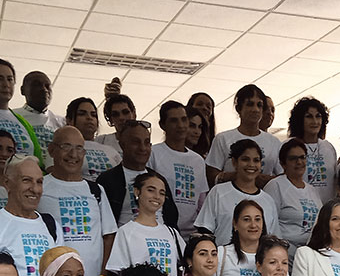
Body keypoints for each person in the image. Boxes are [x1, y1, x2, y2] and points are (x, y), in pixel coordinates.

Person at [39, 126, 116, 276]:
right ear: (52, 150)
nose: (73, 154)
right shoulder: (41, 187)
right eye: (66, 147)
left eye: (79, 148)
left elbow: (109, 236)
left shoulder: (95, 190)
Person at [97, 119, 180, 230]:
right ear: (122, 145)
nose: (142, 148)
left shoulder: (159, 179)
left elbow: (171, 219)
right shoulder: (107, 180)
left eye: (147, 142)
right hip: (123, 243)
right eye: (136, 142)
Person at [195, 139, 279, 246]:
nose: (251, 164)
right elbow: (204, 231)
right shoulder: (218, 192)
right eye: (245, 159)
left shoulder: (268, 200)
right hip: (223, 260)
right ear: (234, 162)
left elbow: (273, 239)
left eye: (256, 160)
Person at [105, 170, 184, 276]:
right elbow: (119, 273)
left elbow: (190, 261)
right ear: (137, 192)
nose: (157, 196)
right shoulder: (125, 232)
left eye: (162, 193)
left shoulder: (171, 233)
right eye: (151, 190)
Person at [149, 100, 209, 236]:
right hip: (162, 231)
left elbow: (201, 201)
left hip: (190, 235)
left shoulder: (198, 160)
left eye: (184, 120)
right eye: (174, 121)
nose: (181, 125)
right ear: (162, 125)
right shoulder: (153, 153)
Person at [213, 200, 286, 276]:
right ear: (235, 224)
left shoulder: (275, 254)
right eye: (246, 219)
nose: (253, 225)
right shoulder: (222, 254)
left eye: (257, 219)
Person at [205, 84, 281, 184]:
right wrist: (238, 176)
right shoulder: (222, 139)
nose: (255, 110)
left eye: (259, 105)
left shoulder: (274, 142)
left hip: (264, 197)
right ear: (239, 109)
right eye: (250, 104)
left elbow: (283, 176)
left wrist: (265, 180)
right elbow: (211, 174)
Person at [264, 138, 322, 257]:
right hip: (286, 254)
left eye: (302, 157)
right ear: (283, 163)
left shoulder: (312, 190)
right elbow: (270, 225)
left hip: (311, 253)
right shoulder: (275, 186)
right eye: (293, 158)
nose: (299, 162)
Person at [287, 97, 337, 203]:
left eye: (318, 116)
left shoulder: (328, 148)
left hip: (326, 210)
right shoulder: (288, 146)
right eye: (309, 117)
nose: (314, 121)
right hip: (298, 208)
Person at [64, 97, 121, 182]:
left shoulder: (111, 151)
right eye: (82, 114)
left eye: (93, 115)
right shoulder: (62, 149)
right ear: (69, 120)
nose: (89, 118)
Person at [17, 70, 64, 155]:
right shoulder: (13, 117)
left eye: (47, 86)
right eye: (36, 85)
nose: (44, 89)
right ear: (22, 90)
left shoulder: (62, 123)